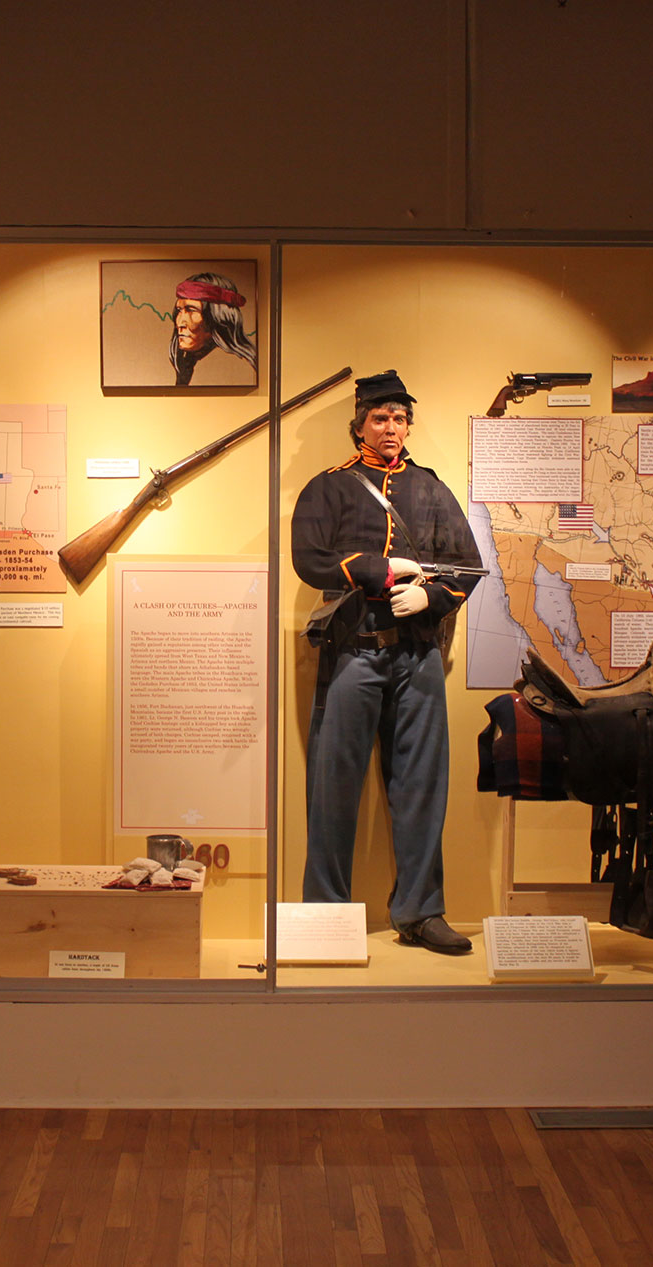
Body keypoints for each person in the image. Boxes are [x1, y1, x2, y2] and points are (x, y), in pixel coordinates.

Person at [291, 370, 482, 953]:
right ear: (359, 423)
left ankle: (421, 912)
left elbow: (467, 565)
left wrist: (434, 595)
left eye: (399, 419)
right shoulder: (328, 488)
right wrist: (380, 570)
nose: (391, 428)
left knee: (423, 786)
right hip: (354, 649)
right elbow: (309, 558)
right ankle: (325, 915)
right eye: (380, 418)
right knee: (334, 787)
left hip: (418, 652)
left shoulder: (430, 489)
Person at [168, 271, 256, 386]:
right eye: (179, 310)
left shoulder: (225, 366)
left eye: (191, 310)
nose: (180, 323)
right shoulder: (195, 364)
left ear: (217, 318)